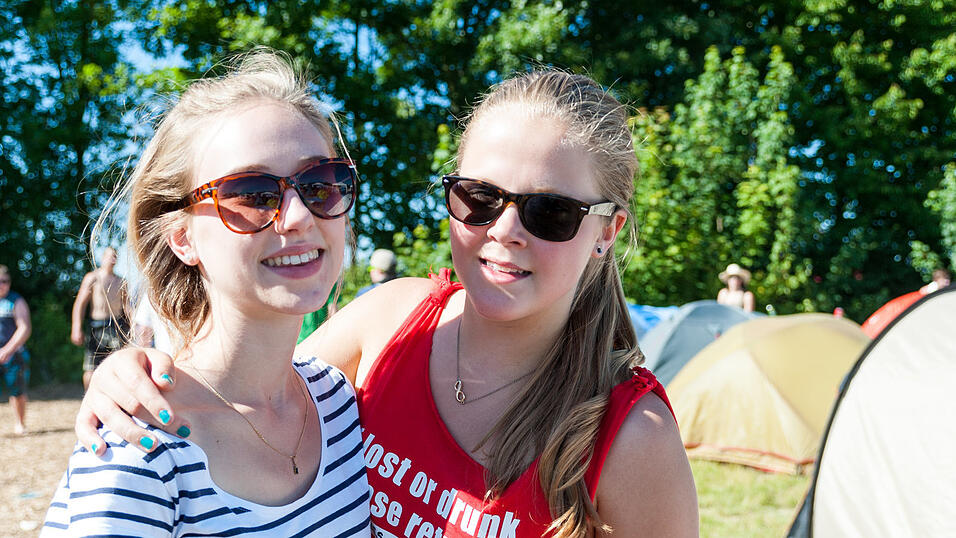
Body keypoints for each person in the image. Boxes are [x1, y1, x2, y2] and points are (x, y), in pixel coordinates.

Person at [76, 70, 699, 536]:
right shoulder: (390, 320)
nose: (506, 230)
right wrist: (131, 373)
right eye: (480, 198)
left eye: (550, 212)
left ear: (607, 231)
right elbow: (249, 395)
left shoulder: (630, 438)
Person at [42, 49, 371, 536]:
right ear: (184, 238)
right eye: (253, 193)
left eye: (320, 184)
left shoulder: (341, 403)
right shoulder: (139, 446)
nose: (300, 217)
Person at [71, 246, 130, 389]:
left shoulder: (121, 281)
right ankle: (88, 398)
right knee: (91, 367)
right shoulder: (93, 277)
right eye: (110, 256)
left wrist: (134, 327)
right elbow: (80, 303)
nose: (112, 259)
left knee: (118, 366)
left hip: (116, 325)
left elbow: (127, 307)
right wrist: (76, 327)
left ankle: (115, 400)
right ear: (103, 258)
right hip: (97, 325)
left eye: (115, 256)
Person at [0, 265, 31, 435]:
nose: (1, 285)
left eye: (4, 281)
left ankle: (20, 423)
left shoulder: (16, 301)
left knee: (17, 391)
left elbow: (24, 328)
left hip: (14, 354)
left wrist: (7, 350)